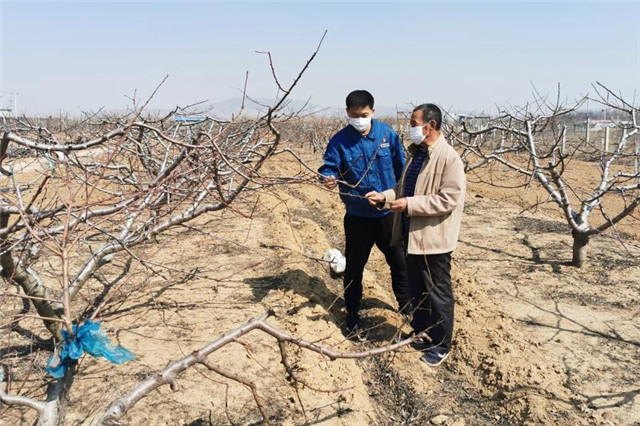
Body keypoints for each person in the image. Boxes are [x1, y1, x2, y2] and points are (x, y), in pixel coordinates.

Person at [365, 103, 466, 366]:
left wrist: (410, 205)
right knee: (417, 290)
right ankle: (423, 332)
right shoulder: (416, 154)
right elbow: (401, 190)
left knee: (437, 292)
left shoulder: (449, 158)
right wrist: (383, 198)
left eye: (413, 122)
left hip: (433, 239)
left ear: (430, 126)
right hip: (410, 235)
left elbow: (449, 199)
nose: (410, 128)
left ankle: (442, 344)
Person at [319, 90, 410, 337]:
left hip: (387, 214)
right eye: (354, 115)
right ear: (347, 113)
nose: (359, 119)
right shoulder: (339, 141)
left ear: (373, 112)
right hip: (358, 216)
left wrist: (401, 198)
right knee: (354, 268)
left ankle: (406, 306)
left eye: (364, 114)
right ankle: (352, 314)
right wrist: (328, 177)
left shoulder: (386, 134)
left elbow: (401, 168)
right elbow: (329, 167)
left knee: (399, 263)